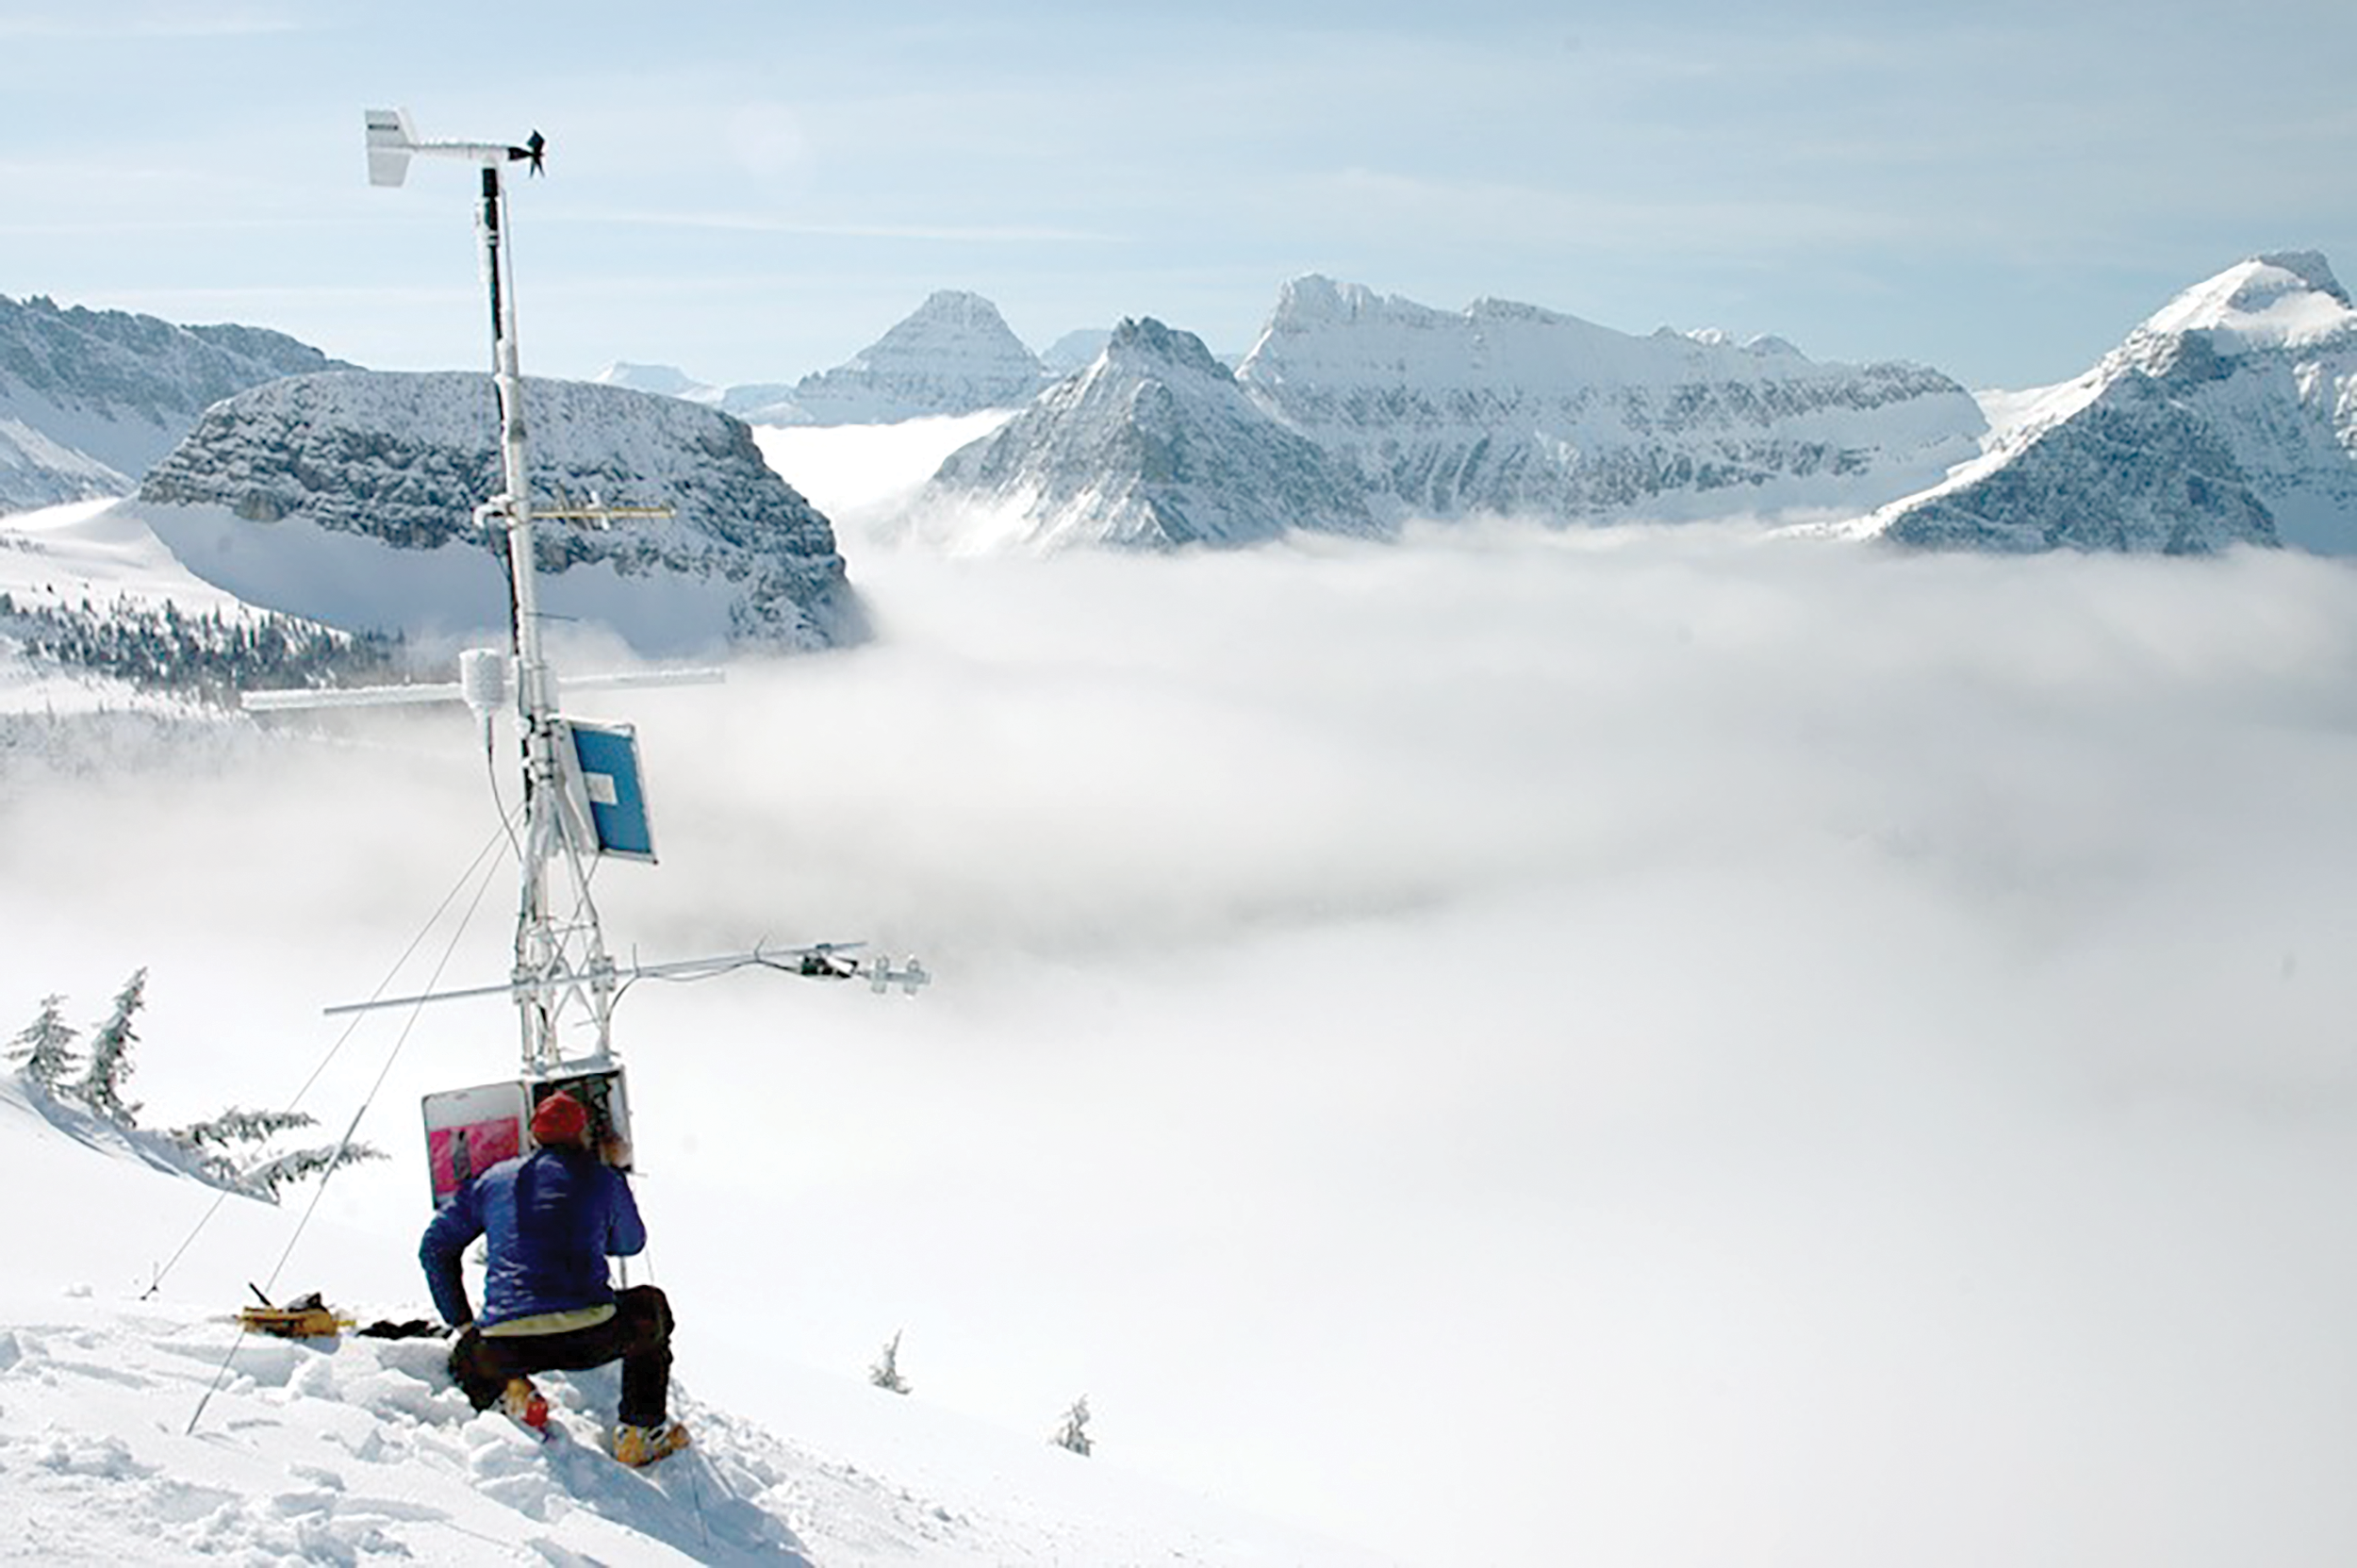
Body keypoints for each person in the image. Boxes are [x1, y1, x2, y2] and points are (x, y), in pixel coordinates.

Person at [420, 1089, 690, 1466]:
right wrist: (609, 1180)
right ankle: (640, 1432)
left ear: (533, 1136)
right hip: (589, 1336)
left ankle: (511, 1391)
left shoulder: (493, 1179)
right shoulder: (602, 1178)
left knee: (468, 1355)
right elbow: (630, 1243)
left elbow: (434, 1247)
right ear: (584, 1135)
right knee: (650, 1306)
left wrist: (463, 1323)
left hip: (506, 1343)